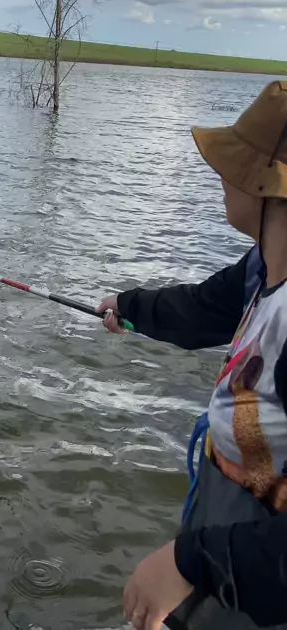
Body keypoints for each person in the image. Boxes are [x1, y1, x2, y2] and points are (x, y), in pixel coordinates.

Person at [97, 80, 287, 630]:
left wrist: (191, 563)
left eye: (234, 164)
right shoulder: (262, 269)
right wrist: (129, 306)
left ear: (269, 188)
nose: (221, 175)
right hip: (224, 562)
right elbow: (202, 308)